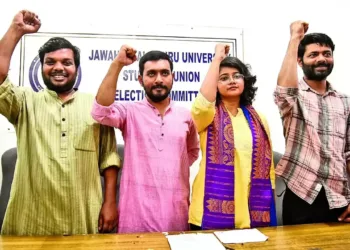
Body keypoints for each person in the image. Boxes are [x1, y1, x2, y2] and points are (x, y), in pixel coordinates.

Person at [0, 10, 120, 236]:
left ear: (76, 68)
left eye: (67, 62)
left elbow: (109, 157)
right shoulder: (24, 102)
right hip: (31, 221)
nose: (58, 67)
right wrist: (15, 31)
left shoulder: (96, 106)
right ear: (42, 67)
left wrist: (110, 203)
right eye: (50, 62)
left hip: (83, 219)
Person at [91, 45, 199, 233]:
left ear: (173, 77)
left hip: (176, 215)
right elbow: (100, 112)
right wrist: (117, 64)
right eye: (151, 74)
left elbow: (191, 152)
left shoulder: (186, 116)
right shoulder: (129, 112)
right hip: (136, 218)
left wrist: (167, 170)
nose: (158, 79)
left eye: (164, 73)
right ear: (140, 80)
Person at [189, 44, 276, 230]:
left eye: (237, 76)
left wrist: (270, 207)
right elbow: (202, 105)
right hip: (208, 211)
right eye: (224, 78)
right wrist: (218, 57)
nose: (232, 81)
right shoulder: (209, 115)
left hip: (251, 211)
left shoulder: (259, 118)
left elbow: (269, 169)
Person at [274, 20, 350, 225]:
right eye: (313, 55)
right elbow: (283, 93)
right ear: (300, 61)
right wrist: (294, 39)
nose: (321, 59)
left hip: (339, 198)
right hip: (301, 194)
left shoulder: (344, 101)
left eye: (326, 53)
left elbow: (349, 154)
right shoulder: (295, 97)